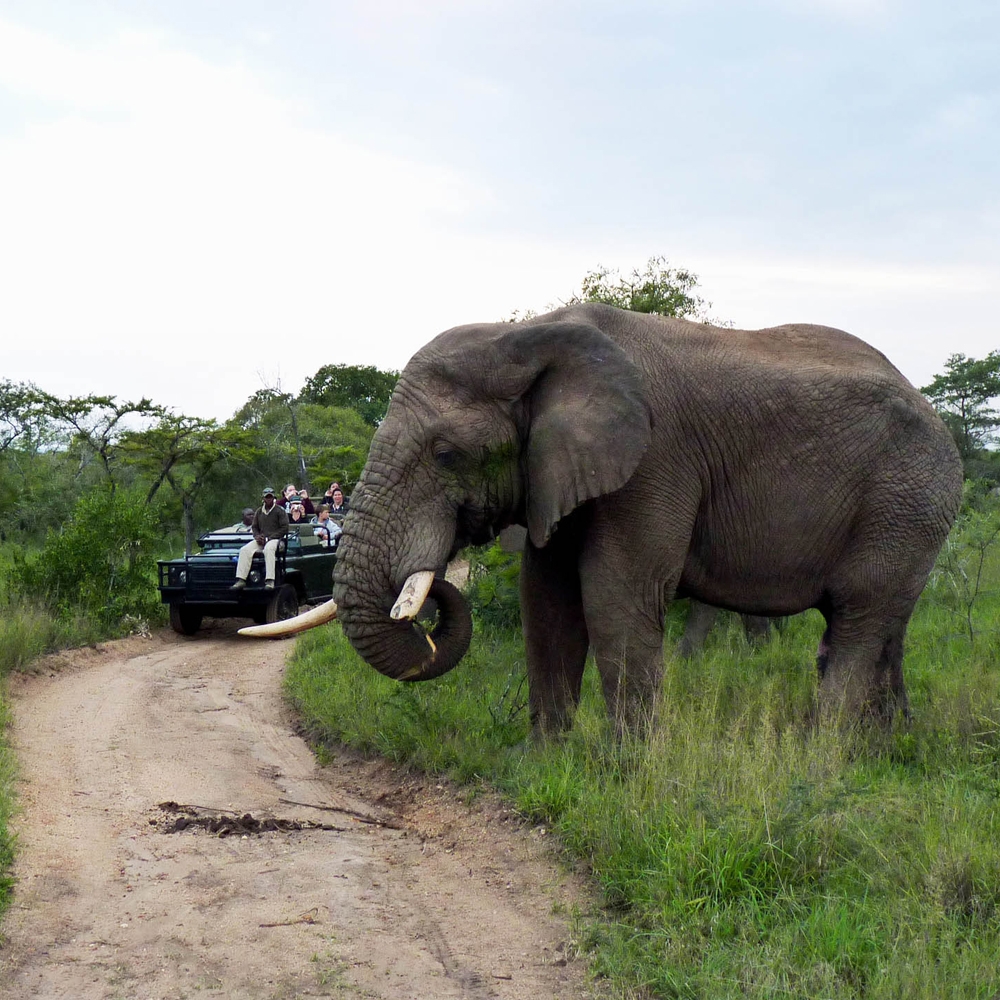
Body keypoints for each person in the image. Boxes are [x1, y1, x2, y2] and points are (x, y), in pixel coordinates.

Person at [231, 486, 288, 591]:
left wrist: (269, 538)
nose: (269, 499)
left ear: (274, 498)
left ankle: (270, 580)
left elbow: (284, 528)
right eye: (267, 497)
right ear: (263, 498)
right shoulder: (259, 511)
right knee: (244, 550)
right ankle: (241, 579)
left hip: (276, 540)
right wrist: (257, 536)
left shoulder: (279, 511)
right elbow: (254, 527)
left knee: (268, 549)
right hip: (262, 539)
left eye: (270, 497)